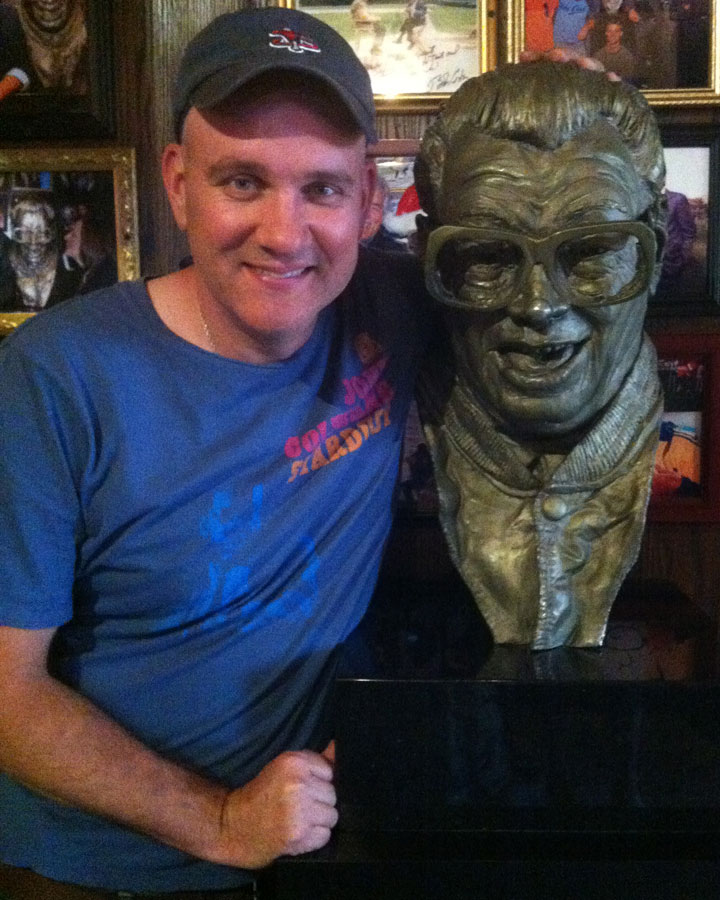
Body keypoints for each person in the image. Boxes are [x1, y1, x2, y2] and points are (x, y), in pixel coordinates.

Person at [0, 6, 427, 897]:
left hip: (315, 855)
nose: (284, 233)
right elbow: (9, 692)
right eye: (242, 181)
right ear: (178, 184)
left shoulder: (398, 310)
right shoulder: (54, 375)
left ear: (368, 201)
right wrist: (222, 822)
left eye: (322, 189)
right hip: (94, 874)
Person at [414, 60, 666, 649]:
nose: (538, 304)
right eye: (487, 253)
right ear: (428, 255)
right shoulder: (367, 419)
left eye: (591, 249)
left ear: (655, 247)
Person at [0, 191, 84, 311]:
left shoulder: (69, 265)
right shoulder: (3, 263)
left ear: (52, 232)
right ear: (13, 232)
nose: (33, 242)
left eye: (41, 232)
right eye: (25, 232)